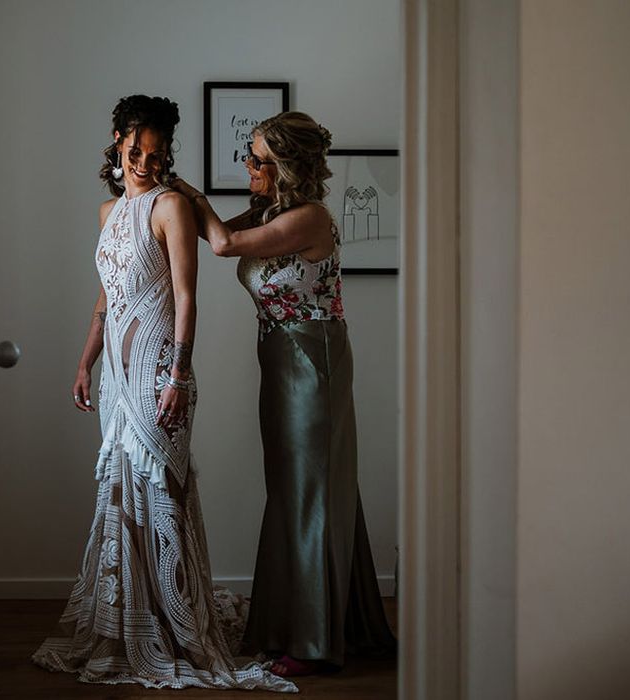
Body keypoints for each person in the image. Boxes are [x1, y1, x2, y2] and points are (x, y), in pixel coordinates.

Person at [32, 95, 295, 693]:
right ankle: (126, 623)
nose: (146, 164)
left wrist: (178, 373)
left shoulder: (172, 206)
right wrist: (84, 361)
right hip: (116, 379)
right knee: (120, 491)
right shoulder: (106, 213)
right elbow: (107, 297)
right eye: (136, 151)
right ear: (117, 142)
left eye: (156, 154)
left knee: (163, 492)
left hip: (158, 373)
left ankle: (174, 626)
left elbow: (184, 297)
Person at [171, 111, 397, 677]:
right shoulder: (273, 211)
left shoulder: (310, 217)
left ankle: (315, 641)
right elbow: (214, 229)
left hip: (312, 360)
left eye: (256, 159)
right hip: (279, 360)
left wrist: (189, 192)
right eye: (248, 156)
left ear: (286, 167)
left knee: (311, 492)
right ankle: (300, 623)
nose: (247, 166)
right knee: (294, 490)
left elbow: (222, 243)